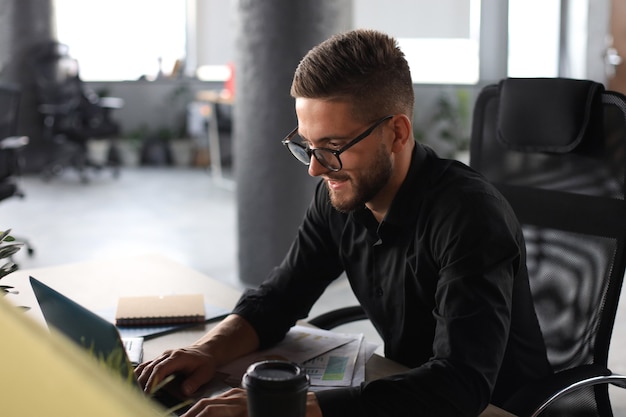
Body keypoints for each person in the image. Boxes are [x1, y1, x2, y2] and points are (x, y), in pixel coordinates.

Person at [136, 28, 552, 417]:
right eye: (307, 146)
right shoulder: (341, 195)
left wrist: (287, 405)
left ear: (396, 132)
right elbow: (279, 298)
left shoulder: (469, 216)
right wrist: (208, 351)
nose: (315, 169)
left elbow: (461, 385)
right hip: (399, 393)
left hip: (499, 408)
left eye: (333, 147)